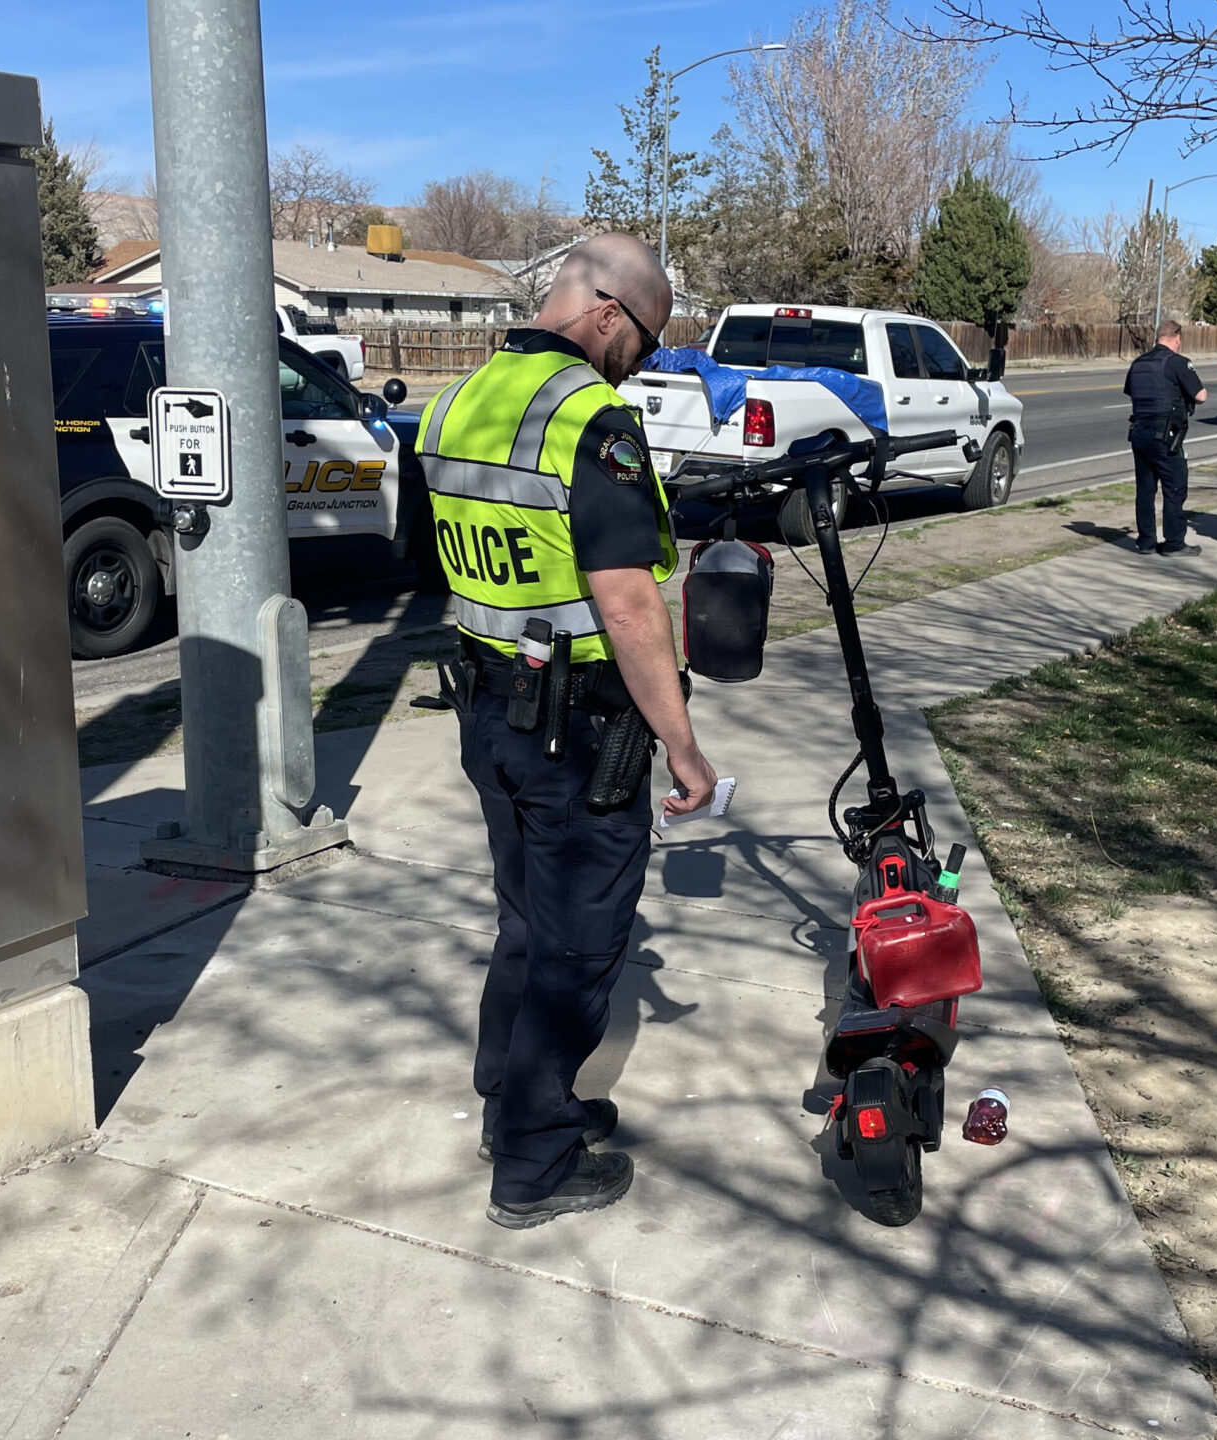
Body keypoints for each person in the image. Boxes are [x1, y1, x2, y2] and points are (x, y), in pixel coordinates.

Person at [415, 233, 719, 1229]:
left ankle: (512, 1100)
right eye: (646, 338)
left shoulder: (460, 399)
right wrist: (680, 742)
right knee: (579, 943)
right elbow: (628, 603)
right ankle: (534, 1164)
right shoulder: (590, 416)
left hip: (489, 711)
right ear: (604, 312)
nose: (643, 359)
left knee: (525, 922)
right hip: (577, 730)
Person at [1122, 319, 1210, 556]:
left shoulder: (1138, 363)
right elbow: (1201, 395)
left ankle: (1146, 541)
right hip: (1165, 435)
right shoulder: (1177, 363)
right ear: (1177, 338)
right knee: (1175, 487)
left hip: (1139, 432)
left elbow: (1132, 393)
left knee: (1145, 489)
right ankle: (1174, 543)